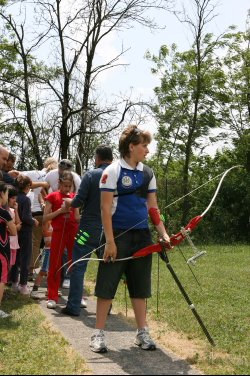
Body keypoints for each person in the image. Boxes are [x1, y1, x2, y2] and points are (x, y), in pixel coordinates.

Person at [90, 125, 171, 353]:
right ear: (131, 147)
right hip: (116, 234)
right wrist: (110, 241)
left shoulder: (148, 173)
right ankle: (98, 334)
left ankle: (141, 332)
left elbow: (153, 207)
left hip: (142, 236)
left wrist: (163, 233)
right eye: (144, 146)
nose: (147, 150)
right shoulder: (112, 171)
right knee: (107, 285)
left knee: (140, 286)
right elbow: (105, 209)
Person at [61, 145, 113, 317]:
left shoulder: (91, 175)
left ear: (97, 158)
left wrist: (69, 203)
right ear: (111, 158)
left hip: (87, 231)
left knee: (79, 264)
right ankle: (106, 308)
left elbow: (78, 201)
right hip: (109, 232)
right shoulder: (119, 175)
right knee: (107, 267)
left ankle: (74, 306)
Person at [43, 171, 80, 309]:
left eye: (69, 186)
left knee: (75, 262)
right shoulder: (52, 196)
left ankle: (77, 296)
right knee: (55, 262)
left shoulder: (74, 197)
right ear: (59, 183)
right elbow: (46, 218)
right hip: (58, 232)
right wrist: (61, 211)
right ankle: (52, 295)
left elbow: (76, 217)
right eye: (64, 185)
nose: (66, 189)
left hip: (73, 231)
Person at [23, 157, 58, 279]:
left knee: (35, 243)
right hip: (51, 215)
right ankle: (48, 270)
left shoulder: (35, 174)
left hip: (36, 213)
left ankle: (31, 271)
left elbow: (21, 177)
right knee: (50, 244)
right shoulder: (56, 178)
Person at [9, 175, 39, 295]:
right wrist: (34, 221)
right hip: (26, 231)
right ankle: (23, 285)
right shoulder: (26, 199)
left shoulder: (15, 197)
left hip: (16, 231)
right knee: (25, 258)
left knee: (15, 258)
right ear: (27, 186)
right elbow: (26, 217)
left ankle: (14, 282)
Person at [0, 182, 17, 318]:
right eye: (6, 193)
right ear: (1, 194)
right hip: (1, 250)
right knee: (1, 279)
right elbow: (13, 231)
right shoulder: (4, 213)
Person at [30, 220, 53, 299]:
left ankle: (50, 290)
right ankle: (34, 290)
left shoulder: (56, 221)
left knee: (52, 271)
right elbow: (47, 236)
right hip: (49, 250)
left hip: (55, 250)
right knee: (43, 270)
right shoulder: (47, 221)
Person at [6, 186, 21, 272]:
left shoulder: (12, 211)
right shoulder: (4, 212)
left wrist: (16, 210)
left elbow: (19, 224)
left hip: (14, 243)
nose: (15, 200)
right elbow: (9, 228)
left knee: (10, 266)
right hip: (7, 243)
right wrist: (15, 227)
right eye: (12, 198)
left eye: (15, 198)